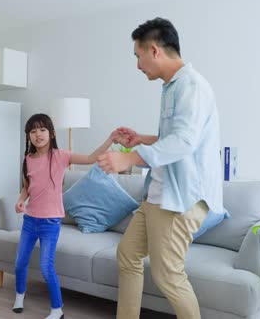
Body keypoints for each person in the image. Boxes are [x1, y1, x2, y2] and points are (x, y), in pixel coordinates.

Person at [97, 18, 225, 319]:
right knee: (128, 255)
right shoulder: (171, 87)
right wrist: (143, 139)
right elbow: (174, 139)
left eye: (137, 56)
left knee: (168, 275)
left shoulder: (192, 87)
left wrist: (129, 158)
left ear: (153, 50)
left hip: (180, 200)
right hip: (158, 195)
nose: (138, 65)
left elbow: (183, 143)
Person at [12, 113, 117, 319]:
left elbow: (90, 158)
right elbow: (27, 187)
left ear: (51, 133)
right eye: (33, 131)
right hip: (29, 221)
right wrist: (20, 199)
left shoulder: (60, 156)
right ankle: (19, 295)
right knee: (20, 262)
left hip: (50, 222)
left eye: (42, 130)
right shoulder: (27, 160)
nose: (37, 134)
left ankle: (57, 308)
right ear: (28, 137)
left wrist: (110, 139)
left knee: (45, 266)